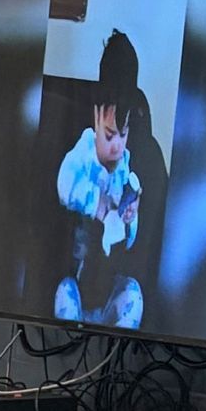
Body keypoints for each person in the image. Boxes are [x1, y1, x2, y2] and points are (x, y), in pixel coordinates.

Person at [54, 29, 145, 331]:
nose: (117, 145)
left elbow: (130, 238)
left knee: (133, 292)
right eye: (109, 135)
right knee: (63, 292)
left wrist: (130, 219)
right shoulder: (82, 155)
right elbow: (64, 186)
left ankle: (117, 336)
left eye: (124, 135)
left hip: (108, 287)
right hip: (79, 286)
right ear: (95, 118)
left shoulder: (125, 166)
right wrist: (100, 205)